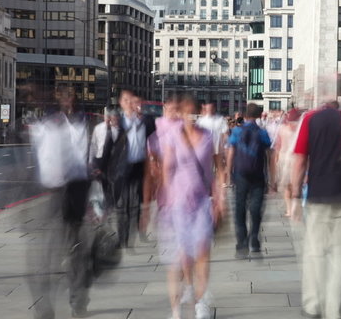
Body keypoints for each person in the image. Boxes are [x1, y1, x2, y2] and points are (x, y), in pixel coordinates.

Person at [145, 95, 224, 319]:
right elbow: (167, 170)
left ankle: (200, 304)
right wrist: (162, 203)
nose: (188, 116)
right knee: (182, 259)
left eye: (192, 112)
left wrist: (219, 197)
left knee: (202, 254)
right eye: (184, 111)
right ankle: (177, 310)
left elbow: (214, 169)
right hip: (177, 205)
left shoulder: (209, 135)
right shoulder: (171, 137)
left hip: (201, 203)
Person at [291, 99, 341, 319]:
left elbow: (300, 160)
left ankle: (313, 305)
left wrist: (295, 196)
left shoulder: (310, 120)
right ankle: (336, 311)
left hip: (318, 196)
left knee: (315, 252)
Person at [28, 87, 93, 318]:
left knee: (75, 250)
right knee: (50, 253)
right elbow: (42, 158)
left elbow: (86, 159)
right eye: (65, 99)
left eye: (71, 99)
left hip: (76, 191)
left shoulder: (82, 124)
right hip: (56, 193)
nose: (68, 103)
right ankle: (46, 307)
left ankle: (78, 301)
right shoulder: (51, 124)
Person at [108, 90, 155, 248]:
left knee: (135, 204)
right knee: (122, 206)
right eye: (127, 100)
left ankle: (133, 235)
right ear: (121, 102)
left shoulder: (145, 122)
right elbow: (109, 147)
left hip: (138, 167)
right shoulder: (117, 122)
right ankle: (123, 239)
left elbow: (154, 141)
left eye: (134, 101)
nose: (132, 104)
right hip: (121, 169)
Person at [226, 103, 272, 258]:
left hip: (240, 173)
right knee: (256, 208)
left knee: (240, 207)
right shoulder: (262, 132)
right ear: (259, 116)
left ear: (245, 116)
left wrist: (228, 173)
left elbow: (231, 152)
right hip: (258, 174)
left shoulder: (237, 131)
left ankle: (241, 241)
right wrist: (272, 177)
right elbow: (269, 155)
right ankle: (254, 239)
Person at [273, 108, 302, 216]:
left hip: (284, 159)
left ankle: (289, 209)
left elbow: (278, 146)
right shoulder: (300, 130)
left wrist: (275, 160)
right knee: (296, 185)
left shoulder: (282, 129)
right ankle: (295, 207)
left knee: (286, 186)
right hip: (296, 159)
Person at [89, 107, 119, 208]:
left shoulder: (116, 129)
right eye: (106, 116)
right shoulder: (98, 128)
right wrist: (90, 160)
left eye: (109, 117)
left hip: (111, 160)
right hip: (99, 159)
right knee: (100, 181)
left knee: (109, 180)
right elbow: (93, 144)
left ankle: (109, 200)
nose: (108, 118)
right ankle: (104, 201)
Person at [197, 102, 229, 179]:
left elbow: (225, 133)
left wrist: (226, 146)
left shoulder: (220, 119)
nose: (209, 110)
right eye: (208, 108)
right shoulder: (201, 120)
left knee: (220, 166)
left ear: (214, 108)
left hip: (218, 148)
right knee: (206, 167)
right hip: (205, 148)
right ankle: (207, 182)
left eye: (211, 108)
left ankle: (222, 183)